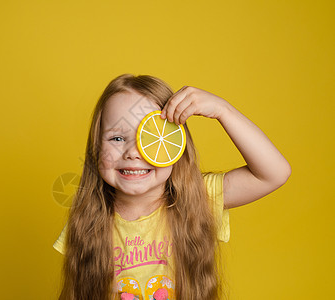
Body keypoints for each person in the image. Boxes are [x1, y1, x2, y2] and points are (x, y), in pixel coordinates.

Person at [53, 74, 291, 300]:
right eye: (117, 138)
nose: (133, 153)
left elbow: (274, 173)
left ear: (175, 146)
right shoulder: (89, 219)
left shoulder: (199, 198)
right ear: (96, 149)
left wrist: (222, 110)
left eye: (150, 137)